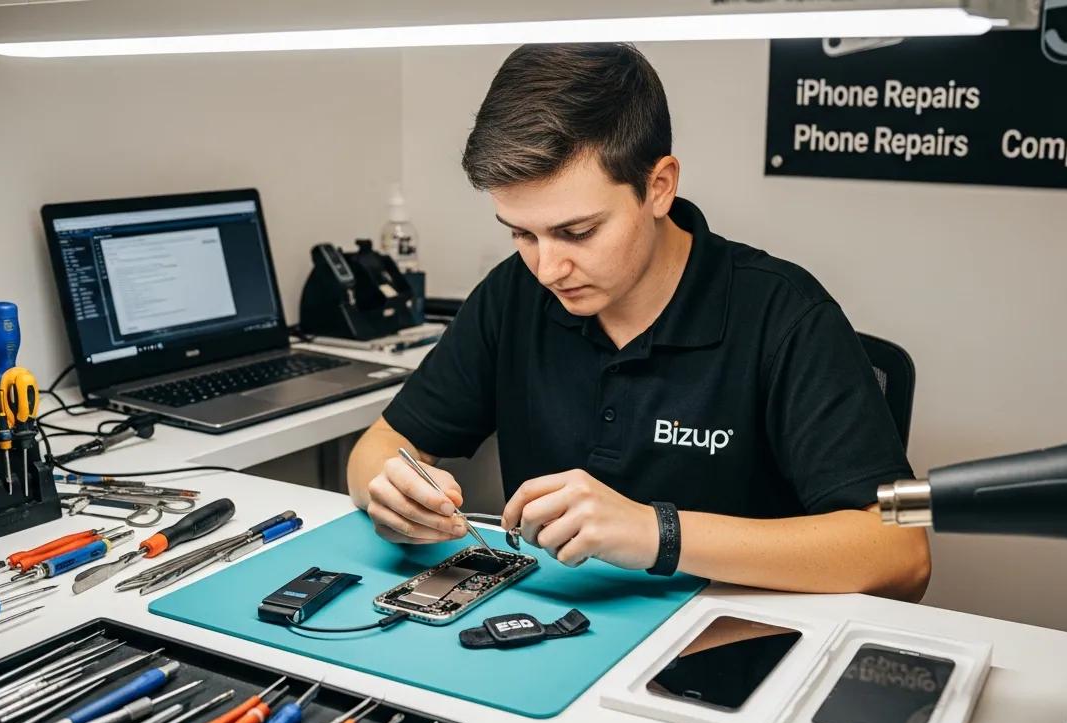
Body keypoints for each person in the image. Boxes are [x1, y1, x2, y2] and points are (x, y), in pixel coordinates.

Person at [347, 43, 929, 600]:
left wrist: (657, 534)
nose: (548, 267)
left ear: (659, 187)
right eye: (522, 233)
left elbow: (901, 553)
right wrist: (395, 494)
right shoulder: (514, 293)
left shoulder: (786, 315)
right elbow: (382, 446)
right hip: (551, 636)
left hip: (726, 651)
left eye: (578, 232)